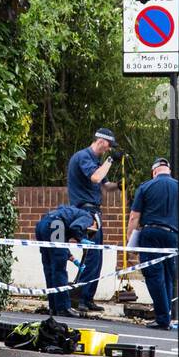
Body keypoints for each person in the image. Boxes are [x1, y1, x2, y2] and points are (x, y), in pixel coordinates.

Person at [127, 157, 179, 330]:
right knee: (167, 275)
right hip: (172, 236)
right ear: (169, 171)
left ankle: (162, 319)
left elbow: (134, 217)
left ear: (154, 172)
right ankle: (165, 316)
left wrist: (130, 246)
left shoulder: (146, 187)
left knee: (154, 276)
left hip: (150, 234)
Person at [66, 127, 120, 313]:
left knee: (96, 256)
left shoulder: (96, 161)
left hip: (94, 211)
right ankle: (80, 297)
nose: (109, 150)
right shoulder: (83, 157)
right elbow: (96, 178)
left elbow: (106, 186)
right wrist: (111, 161)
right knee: (91, 255)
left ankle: (87, 298)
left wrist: (120, 185)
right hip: (86, 213)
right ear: (101, 141)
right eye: (109, 146)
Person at [34, 204, 99, 318]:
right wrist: (81, 238)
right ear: (95, 223)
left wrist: (71, 258)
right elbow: (75, 227)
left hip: (42, 225)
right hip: (55, 225)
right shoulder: (88, 217)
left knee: (49, 268)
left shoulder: (69, 213)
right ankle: (63, 307)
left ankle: (54, 307)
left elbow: (60, 242)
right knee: (59, 270)